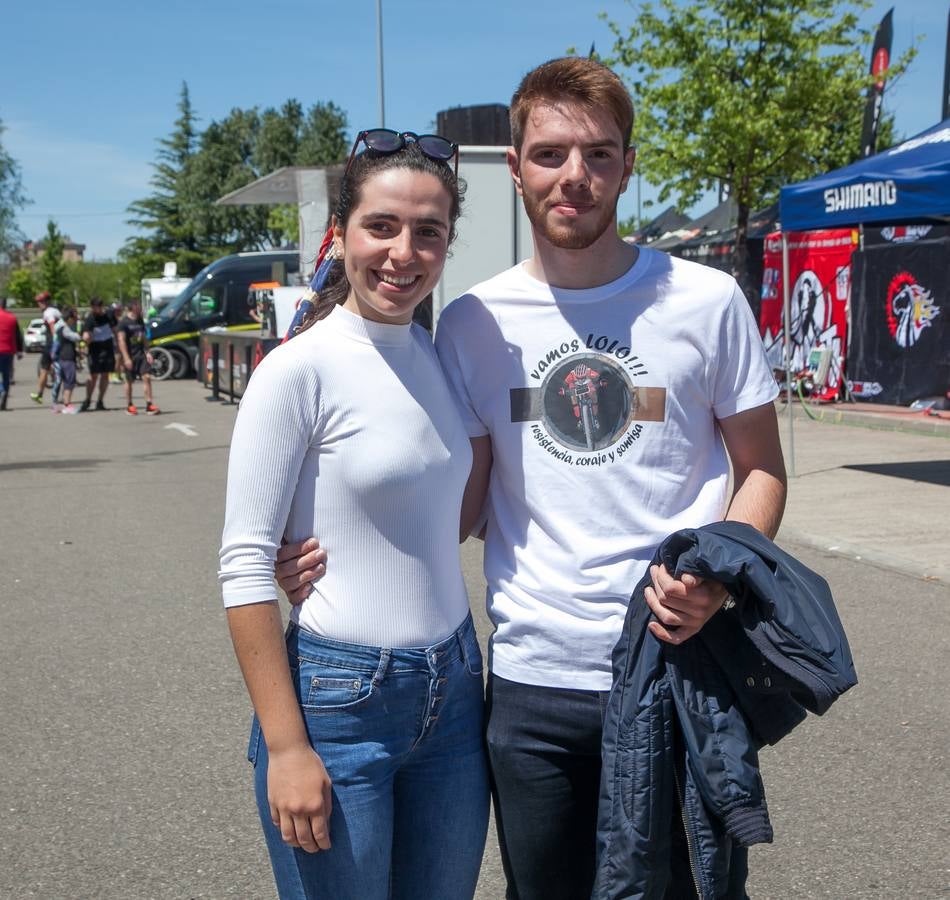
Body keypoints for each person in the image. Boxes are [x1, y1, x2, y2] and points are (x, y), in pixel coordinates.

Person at [278, 58, 787, 899]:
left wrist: (719, 576)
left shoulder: (705, 300)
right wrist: (314, 547)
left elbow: (761, 468)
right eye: (550, 154)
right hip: (531, 683)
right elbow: (452, 498)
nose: (574, 177)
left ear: (628, 164)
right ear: (515, 167)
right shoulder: (476, 323)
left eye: (598, 154)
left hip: (677, 665)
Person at [219, 133, 489, 900]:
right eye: (382, 226)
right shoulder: (297, 370)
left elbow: (451, 511)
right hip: (338, 708)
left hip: (455, 692)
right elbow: (242, 568)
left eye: (428, 231)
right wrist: (286, 746)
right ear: (339, 232)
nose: (404, 252)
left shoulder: (437, 355)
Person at [116, 300, 160, 416]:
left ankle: (149, 404)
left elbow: (144, 338)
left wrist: (148, 352)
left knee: (147, 376)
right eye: (138, 306)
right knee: (129, 381)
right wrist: (126, 358)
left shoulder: (140, 321)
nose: (140, 308)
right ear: (133, 307)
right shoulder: (123, 323)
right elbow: (121, 341)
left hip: (141, 354)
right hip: (130, 355)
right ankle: (130, 405)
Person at [80, 297, 117, 412]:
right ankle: (88, 399)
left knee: (105, 375)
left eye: (99, 307)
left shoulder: (109, 315)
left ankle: (100, 401)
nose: (97, 310)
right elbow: (85, 335)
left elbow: (115, 329)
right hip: (95, 349)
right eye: (95, 307)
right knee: (94, 376)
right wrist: (86, 340)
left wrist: (119, 344)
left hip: (108, 348)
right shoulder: (90, 318)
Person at [29, 290, 61, 404]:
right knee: (54, 370)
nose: (39, 304)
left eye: (41, 302)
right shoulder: (56, 311)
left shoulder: (48, 312)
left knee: (44, 370)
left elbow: (52, 326)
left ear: (46, 302)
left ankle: (40, 395)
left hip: (52, 345)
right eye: (38, 302)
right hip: (55, 343)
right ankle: (46, 395)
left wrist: (55, 341)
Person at [51, 307, 83, 414]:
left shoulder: (60, 327)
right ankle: (67, 405)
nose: (74, 320)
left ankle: (64, 403)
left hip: (63, 358)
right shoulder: (64, 328)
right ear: (69, 318)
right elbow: (76, 337)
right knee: (70, 381)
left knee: (66, 382)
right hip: (67, 358)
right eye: (73, 318)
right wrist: (81, 333)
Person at [0, 296, 25, 411]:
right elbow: (18, 335)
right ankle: (4, 398)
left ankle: (1, 391)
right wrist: (19, 350)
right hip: (8, 351)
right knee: (6, 376)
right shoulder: (12, 318)